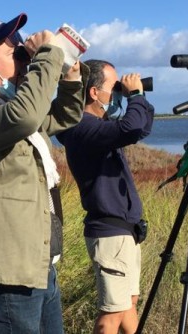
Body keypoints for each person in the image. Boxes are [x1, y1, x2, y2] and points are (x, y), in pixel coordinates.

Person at [0, 13, 87, 333]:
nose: (24, 56)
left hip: (38, 263)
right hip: (7, 272)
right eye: (15, 53)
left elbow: (62, 117)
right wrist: (49, 55)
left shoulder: (8, 108)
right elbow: (25, 117)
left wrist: (70, 75)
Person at [56, 59, 154, 333]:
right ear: (94, 93)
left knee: (128, 303)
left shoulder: (100, 125)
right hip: (110, 233)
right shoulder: (81, 127)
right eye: (114, 87)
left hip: (125, 230)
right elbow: (131, 128)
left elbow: (142, 128)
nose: (117, 92)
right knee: (112, 314)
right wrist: (134, 96)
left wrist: (140, 97)